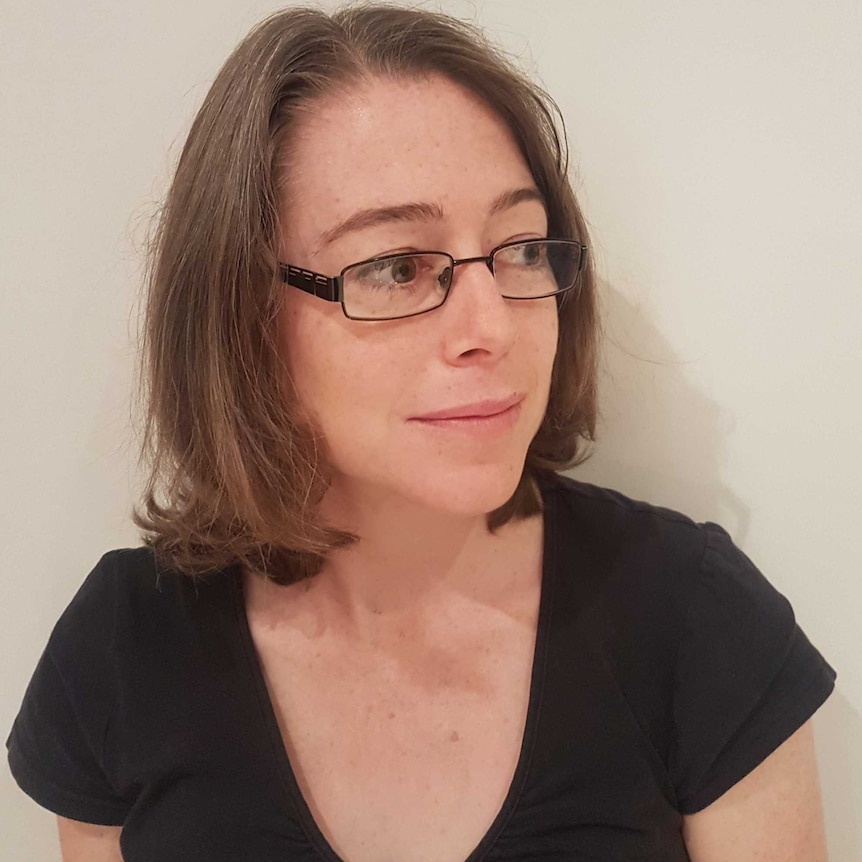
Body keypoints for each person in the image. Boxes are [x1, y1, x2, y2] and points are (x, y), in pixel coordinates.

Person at [6, 5, 836, 861]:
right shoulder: (123, 650)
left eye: (518, 247)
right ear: (242, 314)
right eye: (398, 266)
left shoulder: (693, 622)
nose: (493, 328)